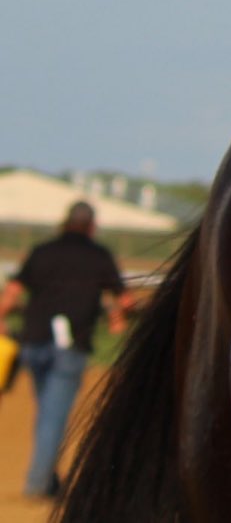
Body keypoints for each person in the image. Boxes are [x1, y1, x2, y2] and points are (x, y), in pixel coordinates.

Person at [0, 201, 134, 500]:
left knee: (47, 412)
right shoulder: (99, 256)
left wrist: (1, 320)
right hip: (71, 347)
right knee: (53, 416)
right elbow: (125, 300)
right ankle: (38, 483)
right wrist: (117, 315)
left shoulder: (41, 250)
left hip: (33, 343)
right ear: (92, 226)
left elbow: (10, 295)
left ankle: (46, 479)